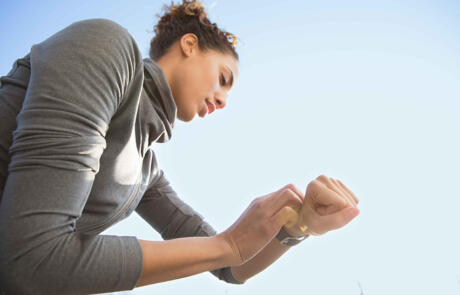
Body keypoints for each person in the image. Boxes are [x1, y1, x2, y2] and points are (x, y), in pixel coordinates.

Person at [0, 0, 360, 294]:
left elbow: (228, 266)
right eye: (223, 78)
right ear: (189, 45)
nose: (222, 100)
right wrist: (228, 245)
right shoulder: (106, 46)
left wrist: (300, 227)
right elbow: (30, 261)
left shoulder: (145, 173)